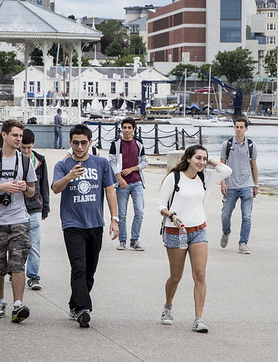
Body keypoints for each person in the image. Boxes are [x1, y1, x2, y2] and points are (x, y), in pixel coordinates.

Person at [157, 145, 231, 333]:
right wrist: (171, 215)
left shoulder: (205, 176)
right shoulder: (174, 178)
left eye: (204, 159)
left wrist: (211, 159)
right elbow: (160, 204)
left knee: (200, 275)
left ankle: (198, 319)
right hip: (176, 231)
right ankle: (168, 307)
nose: (202, 162)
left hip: (198, 230)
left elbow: (226, 170)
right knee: (176, 277)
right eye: (198, 158)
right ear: (188, 158)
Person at [51, 123, 119, 328]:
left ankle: (74, 303)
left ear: (90, 143)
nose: (79, 147)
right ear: (70, 143)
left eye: (83, 142)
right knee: (78, 266)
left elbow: (110, 191)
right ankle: (83, 309)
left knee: (90, 270)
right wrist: (70, 176)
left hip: (95, 224)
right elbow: (55, 188)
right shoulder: (62, 166)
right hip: (72, 225)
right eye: (75, 143)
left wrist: (115, 219)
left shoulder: (101, 163)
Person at [0, 119, 37, 323]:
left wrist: (23, 189)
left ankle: (18, 304)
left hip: (19, 219)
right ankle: (0, 301)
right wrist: (1, 187)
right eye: (15, 135)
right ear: (4, 135)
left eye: (21, 136)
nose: (19, 139)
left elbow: (32, 191)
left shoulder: (26, 161)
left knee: (18, 262)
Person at [219, 116, 259, 254]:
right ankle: (226, 232)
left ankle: (243, 243)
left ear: (246, 129)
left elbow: (254, 165)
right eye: (237, 127)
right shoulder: (227, 144)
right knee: (225, 215)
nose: (239, 129)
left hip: (247, 185)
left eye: (242, 127)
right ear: (234, 127)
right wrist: (222, 182)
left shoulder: (251, 145)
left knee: (247, 216)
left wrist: (256, 185)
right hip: (230, 185)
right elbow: (221, 165)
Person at [109, 117, 148, 251]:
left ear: (134, 129)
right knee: (122, 214)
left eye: (129, 128)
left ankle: (134, 240)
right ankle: (122, 241)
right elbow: (112, 163)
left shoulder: (139, 143)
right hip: (122, 184)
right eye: (124, 127)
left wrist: (132, 169)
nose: (126, 130)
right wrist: (119, 178)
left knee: (139, 212)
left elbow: (144, 162)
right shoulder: (116, 144)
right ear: (121, 129)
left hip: (137, 182)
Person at [20, 128, 50, 291]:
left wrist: (45, 208)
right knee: (18, 244)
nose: (25, 151)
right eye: (23, 147)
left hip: (35, 207)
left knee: (34, 244)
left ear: (33, 145)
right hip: (16, 209)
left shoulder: (40, 160)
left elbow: (44, 184)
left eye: (29, 147)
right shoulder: (14, 159)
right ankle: (16, 272)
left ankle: (33, 276)